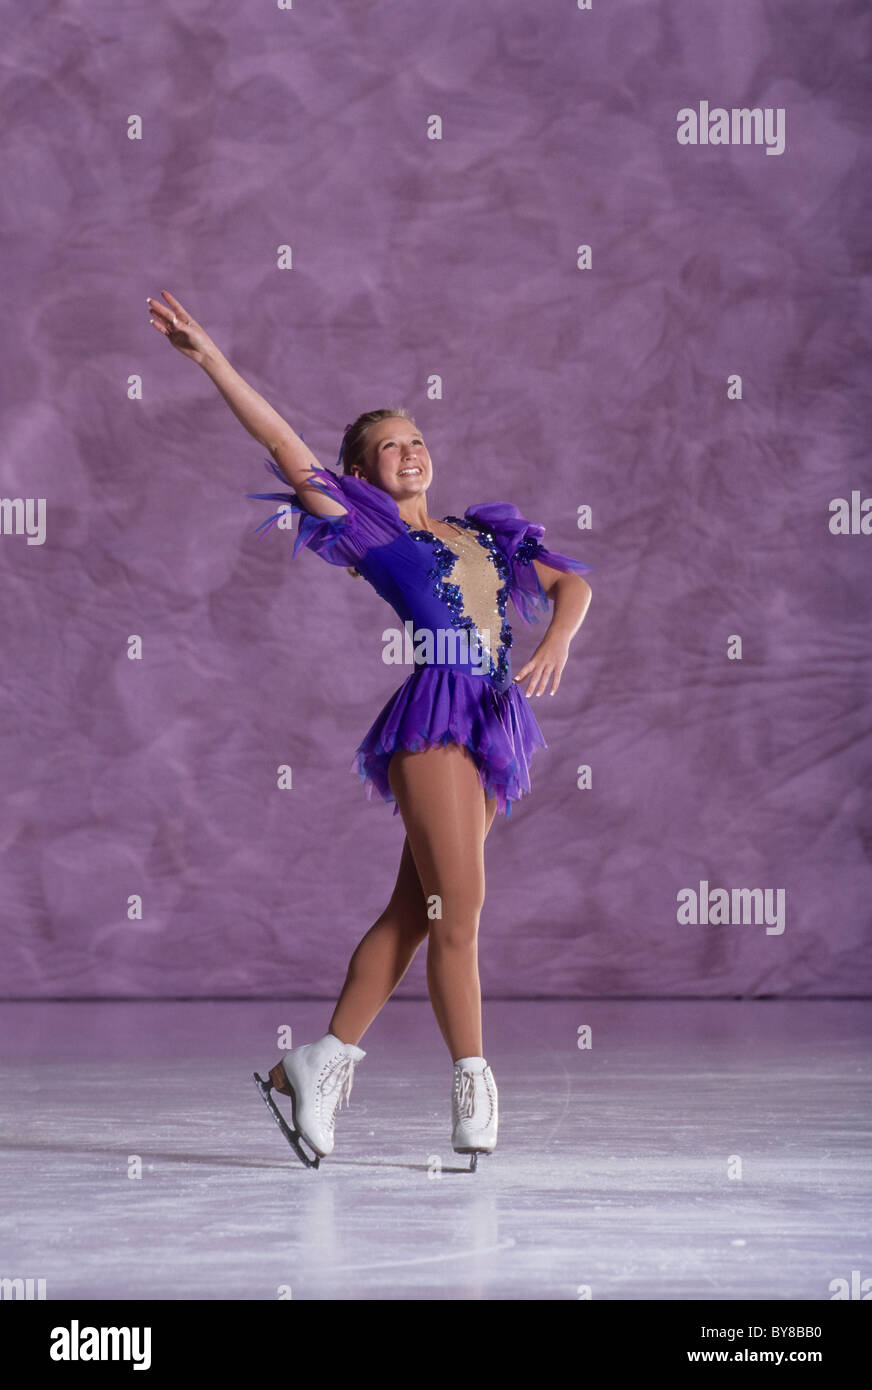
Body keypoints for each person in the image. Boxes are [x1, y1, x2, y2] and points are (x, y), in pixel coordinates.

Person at [147, 289, 593, 1171]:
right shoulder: (365, 528)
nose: (410, 451)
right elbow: (280, 442)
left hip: (495, 720)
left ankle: (317, 1062)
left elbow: (575, 584)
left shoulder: (484, 533)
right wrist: (210, 358)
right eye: (389, 446)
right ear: (362, 471)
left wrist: (558, 639)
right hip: (435, 712)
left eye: (417, 438)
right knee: (459, 905)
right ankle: (471, 1078)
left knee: (417, 909)